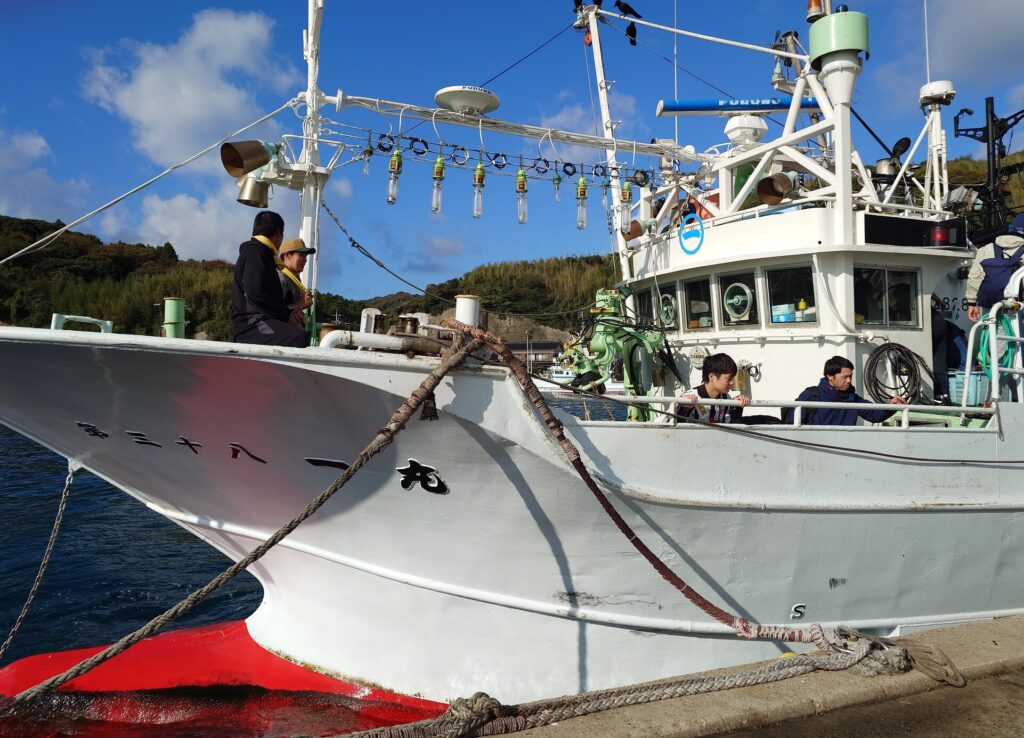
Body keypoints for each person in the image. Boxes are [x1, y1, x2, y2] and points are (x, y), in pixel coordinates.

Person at [231, 211, 307, 347]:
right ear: (278, 234)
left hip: (258, 320)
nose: (305, 259)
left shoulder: (260, 253)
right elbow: (256, 293)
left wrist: (288, 313)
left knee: (298, 334)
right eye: (301, 255)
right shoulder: (256, 253)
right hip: (251, 324)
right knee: (298, 337)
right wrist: (286, 316)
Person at [785, 355, 906, 425]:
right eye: (845, 377)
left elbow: (874, 415)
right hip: (815, 451)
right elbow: (792, 425)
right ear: (830, 376)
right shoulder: (811, 395)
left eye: (850, 376)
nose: (849, 380)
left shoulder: (853, 398)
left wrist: (891, 406)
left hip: (844, 451)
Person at [966, 214, 1024, 322]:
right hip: (1016, 308)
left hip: (990, 305)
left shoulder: (986, 249)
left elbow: (974, 277)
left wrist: (971, 303)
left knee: (992, 330)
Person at [677, 353, 750, 424]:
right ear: (711, 377)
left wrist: (737, 405)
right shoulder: (688, 397)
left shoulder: (726, 398)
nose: (732, 382)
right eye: (729, 378)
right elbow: (674, 426)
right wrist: (685, 408)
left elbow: (731, 426)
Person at [278, 237, 316, 328]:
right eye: (301, 255)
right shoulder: (280, 278)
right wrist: (300, 304)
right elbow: (273, 310)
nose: (305, 259)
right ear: (288, 256)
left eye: (305, 256)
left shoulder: (294, 279)